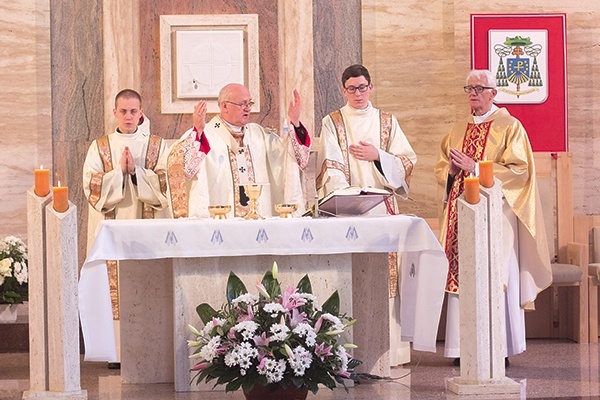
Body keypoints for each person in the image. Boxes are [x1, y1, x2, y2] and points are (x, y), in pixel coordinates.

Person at [434, 69, 552, 365]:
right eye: (468, 87)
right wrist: (450, 172)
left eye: (479, 88)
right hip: (462, 218)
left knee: (497, 276)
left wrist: (475, 166)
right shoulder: (456, 130)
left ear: (493, 93)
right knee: (464, 277)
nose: (472, 93)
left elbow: (520, 171)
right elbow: (441, 169)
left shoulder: (510, 126)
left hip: (496, 218)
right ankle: (463, 350)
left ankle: (500, 348)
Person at [316, 64, 417, 365]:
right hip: (348, 212)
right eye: (351, 89)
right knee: (348, 278)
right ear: (343, 90)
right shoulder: (332, 122)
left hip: (382, 211)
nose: (357, 94)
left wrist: (378, 157)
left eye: (362, 87)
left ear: (371, 87)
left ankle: (390, 353)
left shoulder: (387, 121)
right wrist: (348, 198)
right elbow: (329, 164)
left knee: (386, 282)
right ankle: (347, 352)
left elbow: (406, 161)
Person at [83, 88, 169, 367]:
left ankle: (150, 347)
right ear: (114, 113)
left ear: (141, 112)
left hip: (147, 228)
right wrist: (118, 172)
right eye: (123, 111)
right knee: (114, 285)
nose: (129, 116)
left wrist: (136, 172)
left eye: (134, 111)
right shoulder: (100, 146)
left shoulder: (157, 145)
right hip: (112, 225)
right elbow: (91, 186)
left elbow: (167, 185)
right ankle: (116, 353)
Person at [166, 83, 310, 218]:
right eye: (242, 104)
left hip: (259, 222)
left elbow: (291, 157)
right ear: (225, 106)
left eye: (249, 103)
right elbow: (185, 170)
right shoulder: (206, 135)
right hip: (221, 226)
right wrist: (197, 131)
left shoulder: (259, 134)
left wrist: (295, 123)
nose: (247, 108)